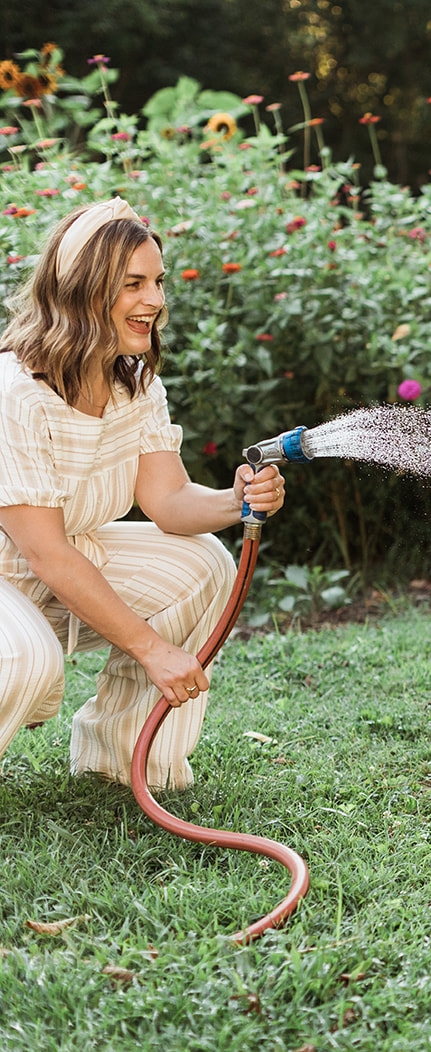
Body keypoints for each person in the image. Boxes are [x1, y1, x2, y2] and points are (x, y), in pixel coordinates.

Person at [0, 197, 286, 791]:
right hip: (17, 569)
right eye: (134, 284)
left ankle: (124, 762)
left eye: (156, 281)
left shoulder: (132, 382)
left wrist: (238, 500)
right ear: (82, 290)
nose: (155, 300)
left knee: (202, 561)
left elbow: (169, 501)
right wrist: (153, 649)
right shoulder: (15, 393)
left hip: (55, 561)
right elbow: (47, 554)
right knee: (20, 660)